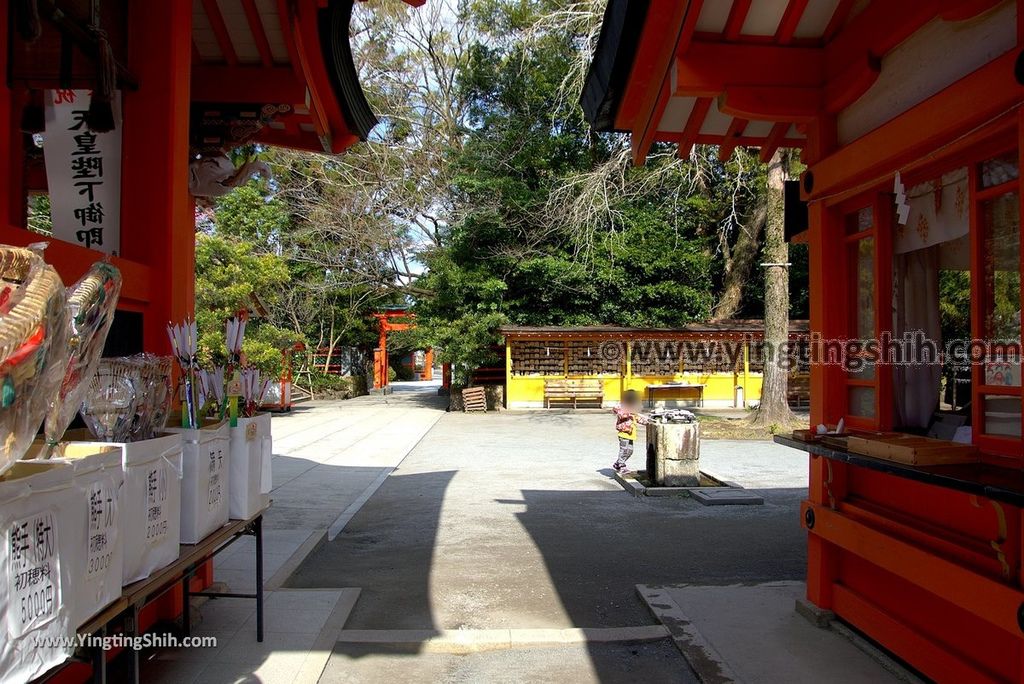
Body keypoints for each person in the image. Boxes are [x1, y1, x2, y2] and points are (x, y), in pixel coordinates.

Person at [612, 390, 649, 473]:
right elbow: (619, 413)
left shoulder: (633, 410)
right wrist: (629, 412)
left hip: (631, 434)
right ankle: (621, 465)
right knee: (624, 450)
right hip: (624, 434)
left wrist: (647, 422)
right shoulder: (622, 407)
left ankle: (618, 463)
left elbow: (638, 419)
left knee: (630, 451)